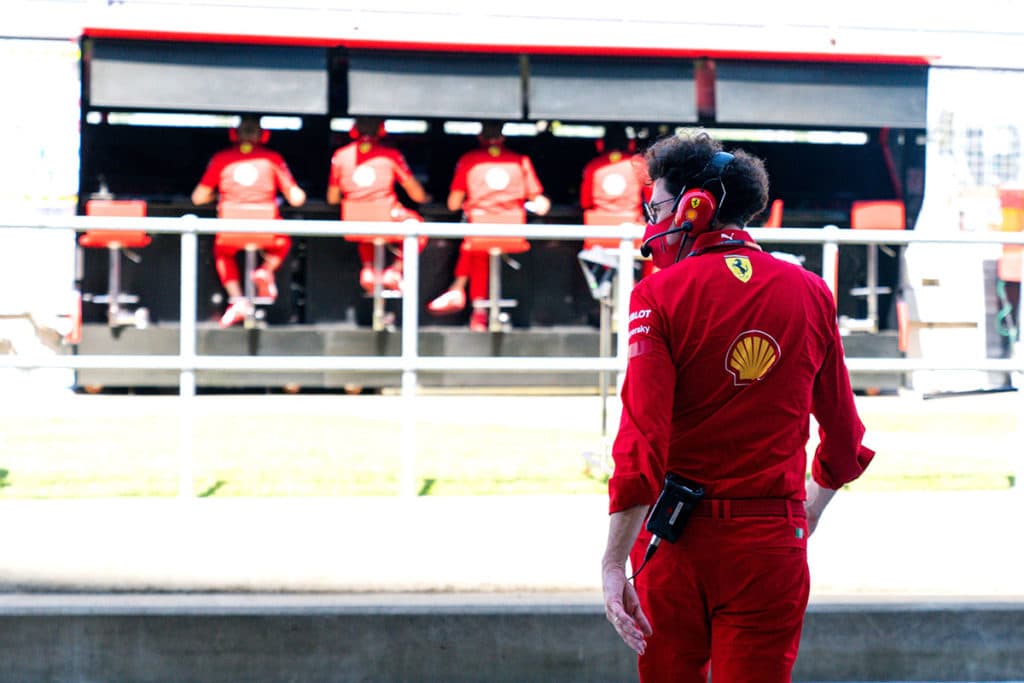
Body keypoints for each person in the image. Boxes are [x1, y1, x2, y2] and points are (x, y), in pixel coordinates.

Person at [601, 130, 875, 683]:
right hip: (773, 543)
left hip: (674, 544)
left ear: (692, 206)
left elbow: (641, 445)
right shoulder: (812, 292)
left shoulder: (658, 296)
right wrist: (805, 513)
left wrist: (612, 563)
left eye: (655, 208)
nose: (650, 225)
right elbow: (844, 444)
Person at [427, 120, 551, 331]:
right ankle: (467, 298)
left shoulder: (469, 160)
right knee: (479, 247)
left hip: (479, 233)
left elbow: (453, 203)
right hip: (513, 233)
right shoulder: (520, 161)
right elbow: (541, 204)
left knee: (475, 245)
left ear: (480, 137)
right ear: (503, 137)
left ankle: (476, 310)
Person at [191, 115, 306, 328]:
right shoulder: (273, 159)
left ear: (235, 134)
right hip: (266, 231)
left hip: (231, 231)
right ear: (262, 135)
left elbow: (197, 198)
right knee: (284, 242)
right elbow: (297, 199)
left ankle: (238, 300)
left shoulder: (221, 158)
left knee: (222, 253)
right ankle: (265, 270)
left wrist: (216, 197)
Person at [327, 117, 430, 293]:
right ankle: (395, 271)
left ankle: (369, 270)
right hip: (386, 219)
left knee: (367, 230)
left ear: (354, 130)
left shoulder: (340, 155)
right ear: (381, 131)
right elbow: (417, 195)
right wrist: (426, 197)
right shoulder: (390, 155)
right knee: (417, 227)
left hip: (353, 222)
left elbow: (332, 198)